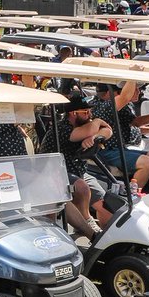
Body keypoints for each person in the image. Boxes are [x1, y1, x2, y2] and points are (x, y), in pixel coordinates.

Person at [40, 96, 112, 236]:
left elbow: (108, 130)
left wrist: (93, 137)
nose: (90, 115)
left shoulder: (83, 126)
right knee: (81, 187)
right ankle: (87, 221)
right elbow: (91, 129)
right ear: (73, 113)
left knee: (104, 204)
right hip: (54, 173)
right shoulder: (62, 129)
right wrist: (97, 122)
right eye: (85, 112)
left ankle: (108, 236)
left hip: (78, 171)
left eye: (90, 112)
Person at [91, 82, 149, 195]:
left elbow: (134, 123)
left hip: (121, 148)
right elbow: (125, 98)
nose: (139, 92)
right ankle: (130, 196)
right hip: (106, 150)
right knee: (147, 162)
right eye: (119, 93)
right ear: (110, 93)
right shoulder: (103, 106)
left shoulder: (122, 107)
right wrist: (131, 78)